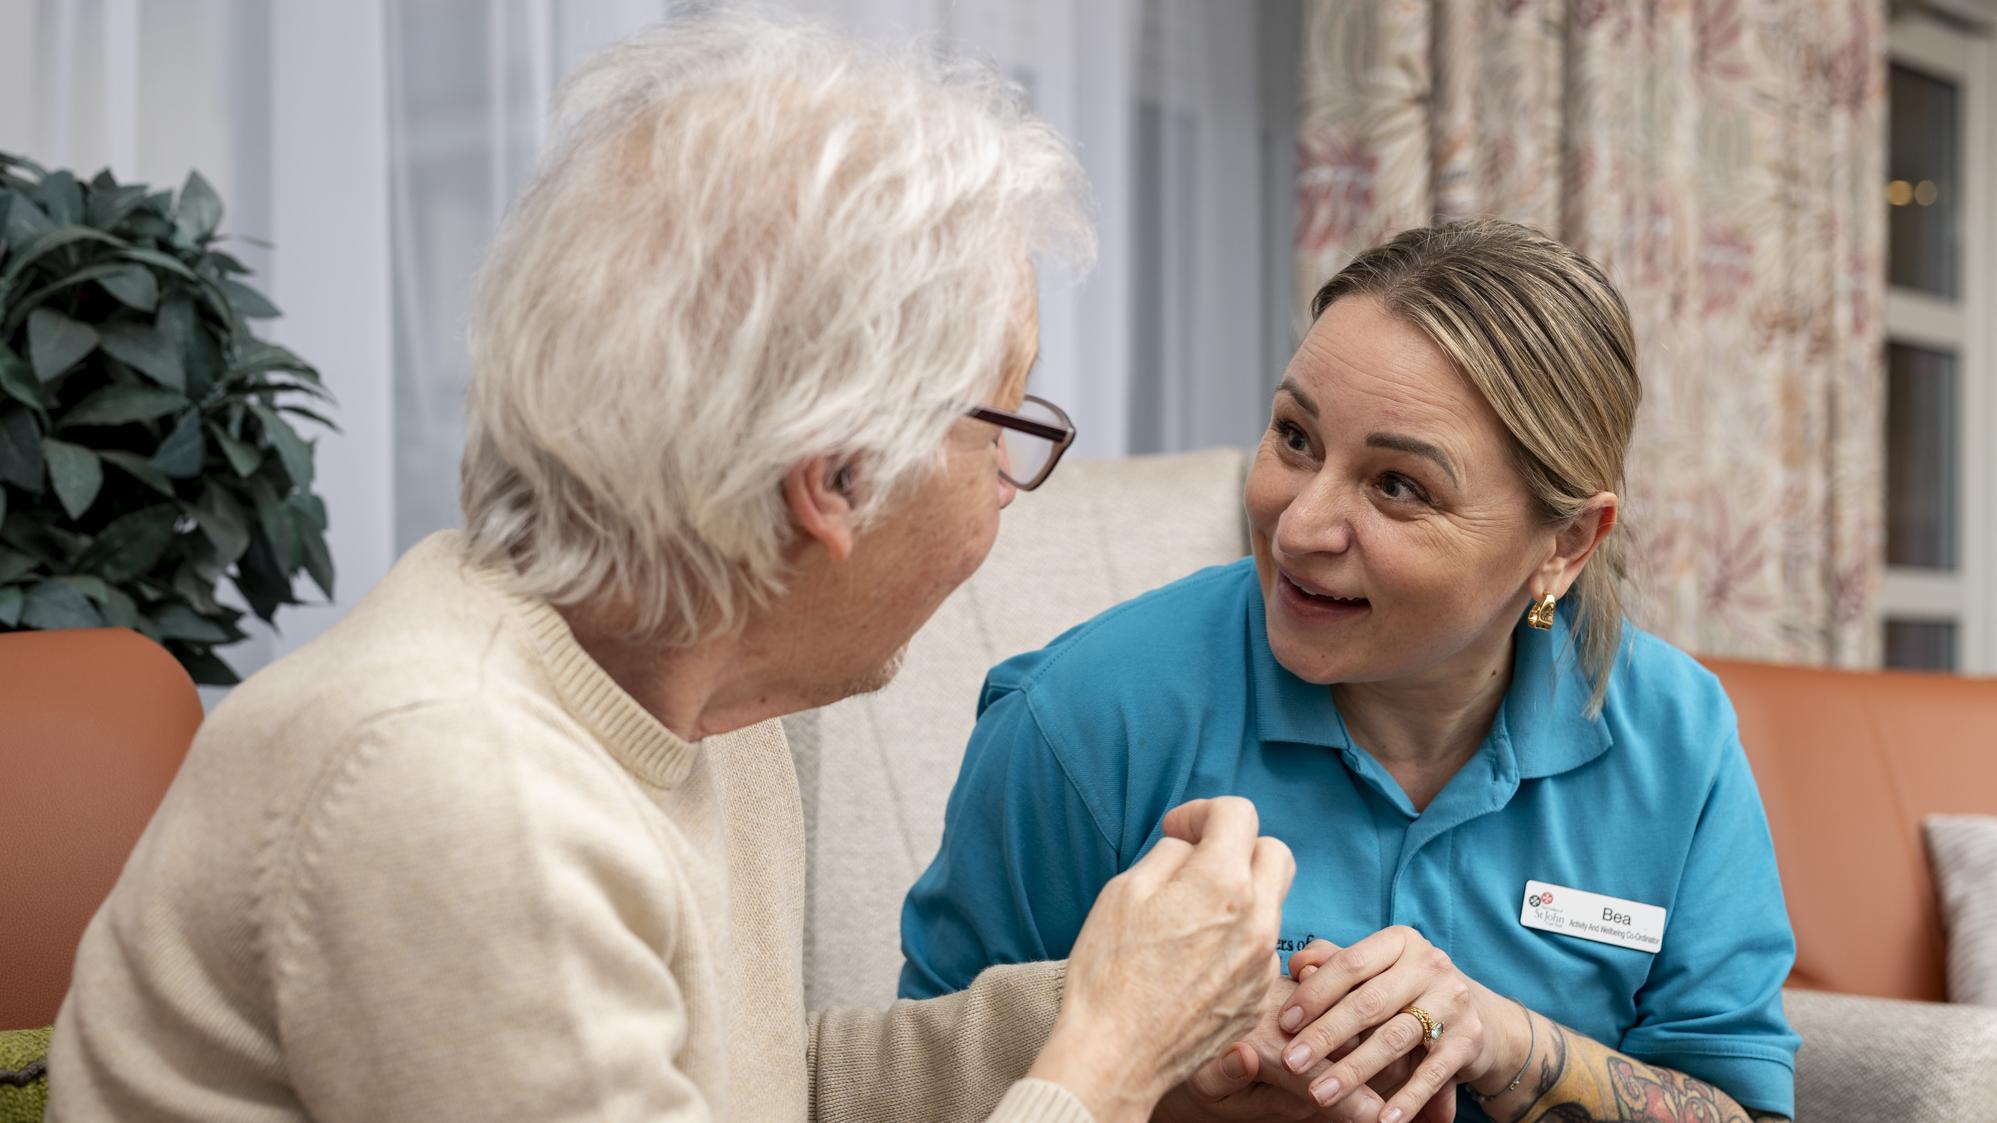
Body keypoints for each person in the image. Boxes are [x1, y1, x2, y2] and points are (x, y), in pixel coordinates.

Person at [44, 11, 1297, 1123]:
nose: (1010, 490)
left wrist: (1134, 1020)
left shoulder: (701, 696)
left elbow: (766, 1090)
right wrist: (1107, 1057)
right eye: (1006, 426)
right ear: (835, 478)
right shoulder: (458, 786)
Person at [901, 220, 1800, 1123]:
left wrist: (1502, 1039)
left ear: (1564, 543)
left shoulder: (1677, 738)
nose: (1297, 527)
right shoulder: (1082, 718)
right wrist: (1181, 1089)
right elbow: (916, 1092)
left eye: (1396, 486)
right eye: (1295, 437)